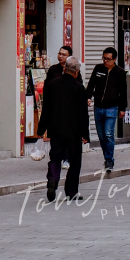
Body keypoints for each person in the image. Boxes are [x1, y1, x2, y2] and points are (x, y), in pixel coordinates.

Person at [41, 56, 89, 201]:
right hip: (74, 131)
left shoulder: (52, 85)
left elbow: (46, 109)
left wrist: (41, 129)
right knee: (75, 160)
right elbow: (83, 113)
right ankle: (72, 191)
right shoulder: (79, 88)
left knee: (55, 156)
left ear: (64, 68)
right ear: (76, 71)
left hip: (55, 129)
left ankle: (53, 179)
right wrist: (85, 133)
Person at [86, 47, 127, 171]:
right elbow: (91, 84)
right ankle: (107, 157)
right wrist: (88, 97)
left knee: (109, 134)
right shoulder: (98, 69)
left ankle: (109, 160)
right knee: (101, 136)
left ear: (114, 59)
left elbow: (123, 92)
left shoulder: (120, 72)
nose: (105, 61)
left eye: (108, 59)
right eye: (104, 58)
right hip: (98, 107)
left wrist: (122, 108)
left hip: (112, 108)